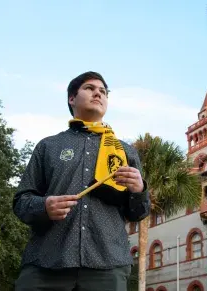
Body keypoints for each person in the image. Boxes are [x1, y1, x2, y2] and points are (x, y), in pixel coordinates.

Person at [13, 71, 150, 291]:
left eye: (103, 91)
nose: (98, 93)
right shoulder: (48, 146)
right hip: (46, 264)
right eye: (89, 88)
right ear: (71, 98)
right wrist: (44, 206)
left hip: (108, 265)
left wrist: (139, 190)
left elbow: (139, 213)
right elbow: (21, 201)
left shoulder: (125, 152)